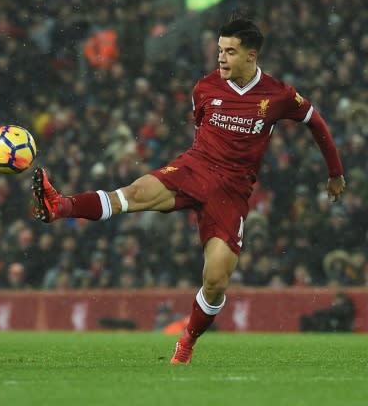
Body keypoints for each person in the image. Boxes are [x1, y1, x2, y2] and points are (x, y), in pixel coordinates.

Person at [32, 18, 346, 364]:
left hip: (231, 191)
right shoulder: (205, 88)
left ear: (251, 56)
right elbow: (201, 130)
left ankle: (187, 341)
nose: (221, 59)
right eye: (219, 51)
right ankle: (61, 205)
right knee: (134, 193)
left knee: (215, 281)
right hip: (195, 168)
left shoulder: (278, 95)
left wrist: (335, 173)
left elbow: (315, 122)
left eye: (230, 52)